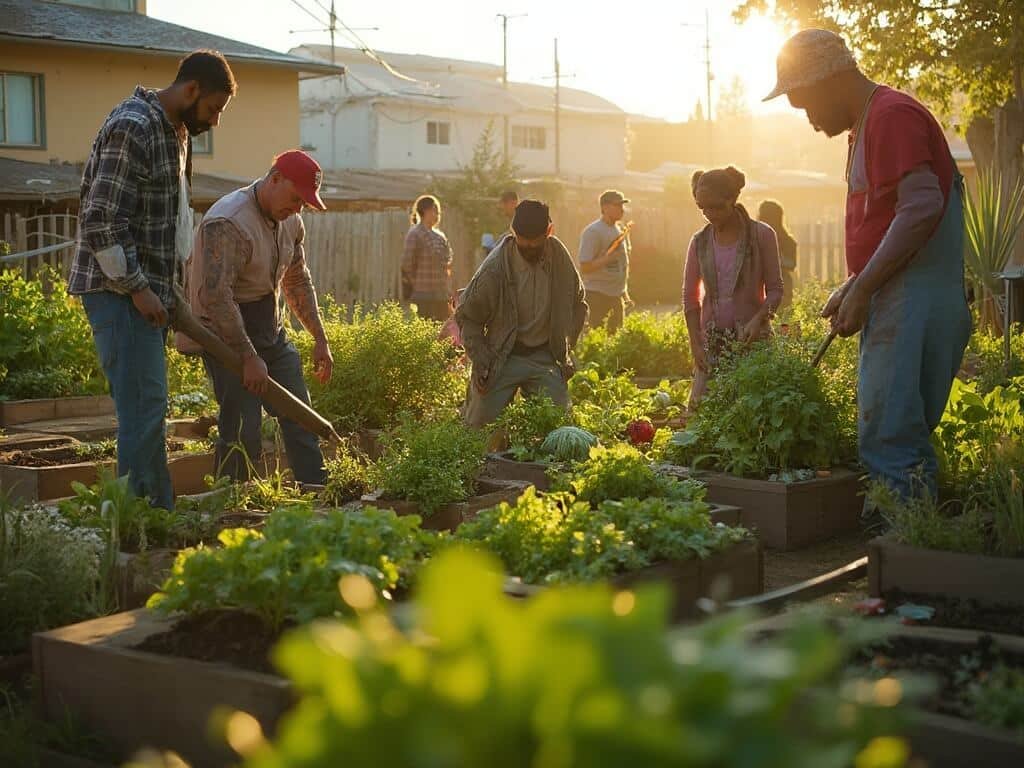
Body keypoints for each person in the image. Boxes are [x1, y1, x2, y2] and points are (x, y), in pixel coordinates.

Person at [765, 29, 971, 499]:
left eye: (805, 105)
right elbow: (890, 222)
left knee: (891, 436)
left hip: (912, 297)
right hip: (900, 291)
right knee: (893, 430)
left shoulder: (892, 116)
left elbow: (920, 209)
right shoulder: (868, 123)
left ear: (828, 81)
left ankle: (902, 556)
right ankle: (902, 547)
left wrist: (863, 289)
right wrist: (855, 284)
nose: (810, 122)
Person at [69, 50, 236, 510]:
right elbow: (101, 220)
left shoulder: (176, 133)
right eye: (214, 109)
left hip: (149, 295)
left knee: (149, 407)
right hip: (117, 293)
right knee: (145, 409)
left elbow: (170, 221)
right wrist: (140, 288)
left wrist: (172, 291)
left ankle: (145, 514)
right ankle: (145, 520)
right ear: (191, 90)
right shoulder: (135, 126)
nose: (215, 121)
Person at [179, 150, 333, 485]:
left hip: (269, 329)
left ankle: (318, 494)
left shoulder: (290, 219)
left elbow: (296, 279)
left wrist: (320, 338)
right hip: (225, 338)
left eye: (304, 203)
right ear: (274, 178)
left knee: (301, 416)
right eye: (295, 198)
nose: (297, 208)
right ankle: (231, 505)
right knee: (242, 430)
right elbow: (217, 298)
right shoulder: (229, 221)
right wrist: (248, 358)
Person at [456, 200, 588, 427]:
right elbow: (469, 317)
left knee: (560, 429)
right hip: (502, 357)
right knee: (478, 429)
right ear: (513, 232)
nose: (528, 250)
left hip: (544, 356)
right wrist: (482, 361)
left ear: (549, 231)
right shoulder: (495, 268)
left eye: (535, 245)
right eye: (522, 245)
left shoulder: (560, 258)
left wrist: (566, 349)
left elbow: (579, 305)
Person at [682, 167, 784, 406]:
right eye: (702, 208)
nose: (709, 214)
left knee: (753, 414)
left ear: (733, 199)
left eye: (716, 207)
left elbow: (776, 289)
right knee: (703, 416)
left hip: (751, 342)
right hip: (712, 344)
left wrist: (758, 320)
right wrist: (696, 344)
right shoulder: (700, 242)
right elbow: (689, 297)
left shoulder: (761, 236)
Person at [578, 189, 631, 332]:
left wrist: (625, 294)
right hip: (598, 297)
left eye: (622, 205)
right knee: (598, 341)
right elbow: (585, 267)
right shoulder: (593, 232)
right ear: (605, 207)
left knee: (616, 344)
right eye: (617, 205)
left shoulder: (619, 230)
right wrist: (607, 259)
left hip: (616, 296)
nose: (622, 209)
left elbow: (621, 265)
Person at [401, 194, 453, 321]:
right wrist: (417, 284)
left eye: (439, 212)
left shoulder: (440, 236)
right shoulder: (415, 234)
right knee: (426, 330)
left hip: (442, 294)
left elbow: (448, 262)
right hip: (424, 295)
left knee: (443, 332)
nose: (438, 215)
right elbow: (407, 264)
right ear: (426, 211)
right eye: (435, 211)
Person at [758, 200, 798, 308]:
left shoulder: (787, 241)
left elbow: (792, 264)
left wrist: (775, 260)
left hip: (781, 287)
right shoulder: (754, 239)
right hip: (759, 287)